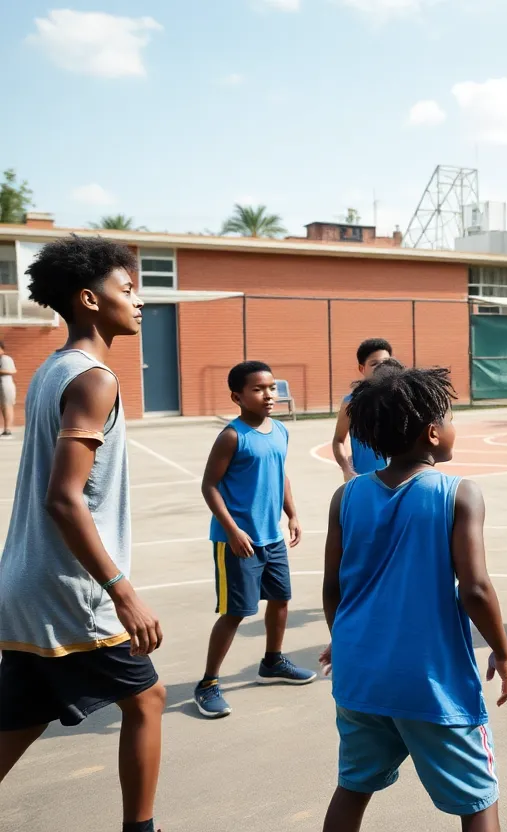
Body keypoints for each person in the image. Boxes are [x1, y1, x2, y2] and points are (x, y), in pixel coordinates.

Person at [0, 236, 166, 832]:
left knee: (20, 716)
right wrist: (122, 590)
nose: (140, 301)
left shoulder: (52, 370)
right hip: (69, 588)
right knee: (147, 699)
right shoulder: (95, 380)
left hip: (24, 581)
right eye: (128, 289)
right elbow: (65, 499)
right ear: (90, 300)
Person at [319, 365, 507, 832]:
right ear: (432, 432)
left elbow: (333, 589)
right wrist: (504, 652)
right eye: (449, 418)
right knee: (477, 801)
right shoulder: (458, 492)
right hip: (431, 682)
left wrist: (343, 638)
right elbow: (475, 588)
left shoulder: (346, 497)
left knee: (353, 786)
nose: (453, 428)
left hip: (360, 675)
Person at [193, 360, 314, 719]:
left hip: (270, 536)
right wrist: (231, 529)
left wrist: (292, 514)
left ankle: (272, 662)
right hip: (237, 540)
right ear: (237, 396)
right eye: (259, 389)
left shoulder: (279, 430)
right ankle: (208, 683)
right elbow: (209, 485)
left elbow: (281, 475)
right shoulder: (232, 436)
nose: (268, 395)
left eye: (272, 388)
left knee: (281, 600)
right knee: (236, 612)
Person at [332, 337, 394, 480]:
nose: (381, 368)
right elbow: (338, 440)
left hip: (398, 481)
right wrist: (346, 469)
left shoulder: (401, 400)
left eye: (386, 363)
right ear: (362, 368)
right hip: (365, 479)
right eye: (374, 363)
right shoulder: (351, 402)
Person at [0, 339, 16, 438]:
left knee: (7, 406)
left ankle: (8, 430)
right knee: (3, 407)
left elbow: (12, 371)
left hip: (6, 385)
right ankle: (5, 429)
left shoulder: (5, 359)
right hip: (1, 385)